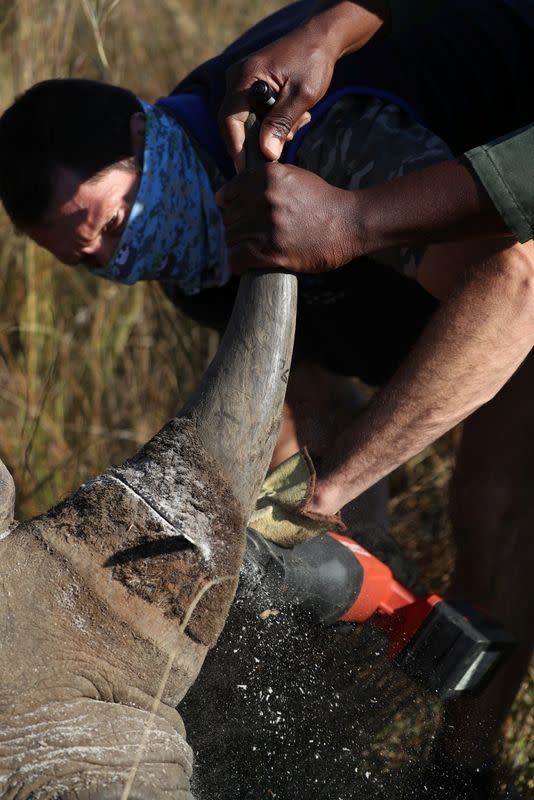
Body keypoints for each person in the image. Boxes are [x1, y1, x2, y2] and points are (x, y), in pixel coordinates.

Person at [0, 1, 533, 796]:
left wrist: (333, 487)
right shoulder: (188, 251)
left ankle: (465, 771)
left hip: (509, 263)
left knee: (489, 504)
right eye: (91, 261)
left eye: (112, 223)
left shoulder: (318, 142)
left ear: (147, 133)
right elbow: (306, 400)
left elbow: (516, 286)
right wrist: (304, 544)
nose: (119, 258)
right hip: (463, 297)